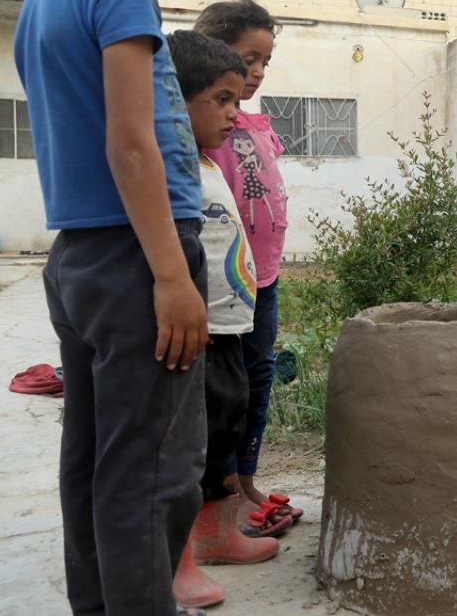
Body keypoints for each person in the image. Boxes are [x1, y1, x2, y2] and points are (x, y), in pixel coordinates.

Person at [12, 0, 212, 612]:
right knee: (155, 471)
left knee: (94, 460)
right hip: (139, 256)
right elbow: (130, 145)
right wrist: (171, 274)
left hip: (79, 257)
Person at [165, 30, 280, 611]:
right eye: (221, 99)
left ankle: (217, 535)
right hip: (197, 330)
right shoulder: (173, 166)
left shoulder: (208, 162)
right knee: (188, 445)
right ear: (175, 99)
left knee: (224, 430)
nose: (234, 113)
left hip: (229, 326)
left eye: (236, 100)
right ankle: (178, 558)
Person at [193, 0, 302, 534]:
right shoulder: (206, 127)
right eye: (248, 58)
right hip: (222, 286)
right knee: (225, 391)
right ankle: (220, 492)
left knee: (258, 377)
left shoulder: (254, 123)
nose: (257, 72)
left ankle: (247, 479)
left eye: (265, 62)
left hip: (263, 278)